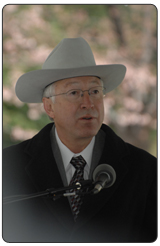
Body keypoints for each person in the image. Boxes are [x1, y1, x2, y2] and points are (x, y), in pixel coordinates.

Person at [3, 37, 157, 243]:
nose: (88, 103)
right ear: (49, 107)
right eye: (74, 92)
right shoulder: (9, 167)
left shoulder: (145, 169)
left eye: (95, 91)